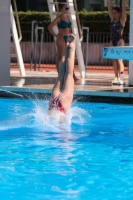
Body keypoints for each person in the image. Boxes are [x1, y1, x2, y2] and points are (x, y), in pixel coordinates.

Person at [48, 3, 80, 83]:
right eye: (65, 8)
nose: (67, 10)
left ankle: (73, 75)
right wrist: (56, 35)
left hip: (68, 38)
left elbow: (69, 29)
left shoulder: (68, 17)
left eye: (68, 8)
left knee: (69, 58)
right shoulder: (59, 18)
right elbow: (49, 27)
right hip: (61, 38)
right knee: (60, 57)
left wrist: (71, 36)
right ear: (61, 9)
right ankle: (60, 75)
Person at [49, 34, 76, 122]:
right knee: (61, 74)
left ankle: (72, 46)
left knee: (69, 73)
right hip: (54, 98)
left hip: (59, 107)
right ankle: (68, 46)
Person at [108, 0, 127, 85]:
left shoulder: (122, 20)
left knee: (119, 60)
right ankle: (116, 77)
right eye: (113, 13)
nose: (114, 14)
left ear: (119, 13)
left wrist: (124, 1)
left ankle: (121, 77)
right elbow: (109, 8)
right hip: (112, 40)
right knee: (114, 60)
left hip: (119, 40)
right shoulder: (112, 20)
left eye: (115, 13)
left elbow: (124, 9)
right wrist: (110, 1)